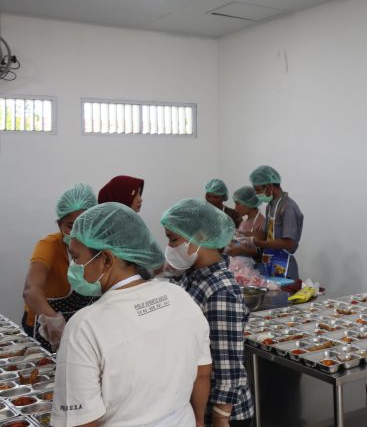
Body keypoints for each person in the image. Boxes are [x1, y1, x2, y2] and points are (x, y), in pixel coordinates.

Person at [52, 202, 212, 427]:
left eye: (76, 258)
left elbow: (81, 422)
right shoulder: (179, 296)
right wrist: (199, 422)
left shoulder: (85, 326)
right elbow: (202, 373)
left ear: (106, 259)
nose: (74, 266)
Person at [161, 198, 255, 427]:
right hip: (199, 404)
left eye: (173, 240)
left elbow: (228, 363)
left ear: (201, 237)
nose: (169, 248)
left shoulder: (221, 291)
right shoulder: (194, 277)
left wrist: (221, 417)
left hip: (224, 412)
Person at [22, 183, 98, 352]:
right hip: (45, 326)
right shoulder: (49, 245)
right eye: (71, 225)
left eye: (84, 223)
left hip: (79, 327)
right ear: (59, 225)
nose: (77, 231)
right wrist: (53, 322)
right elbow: (30, 290)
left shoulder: (98, 246)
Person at [249, 165, 304, 280]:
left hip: (284, 265)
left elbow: (288, 243)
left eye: (258, 190)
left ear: (269, 186)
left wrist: (259, 243)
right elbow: (265, 234)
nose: (256, 194)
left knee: (281, 291)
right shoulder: (270, 206)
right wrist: (244, 236)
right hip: (270, 262)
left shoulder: (288, 207)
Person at [226, 186, 266, 261]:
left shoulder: (261, 222)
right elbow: (240, 243)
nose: (235, 208)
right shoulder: (243, 222)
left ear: (249, 203)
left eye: (237, 203)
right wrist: (233, 244)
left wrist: (242, 250)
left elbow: (260, 251)